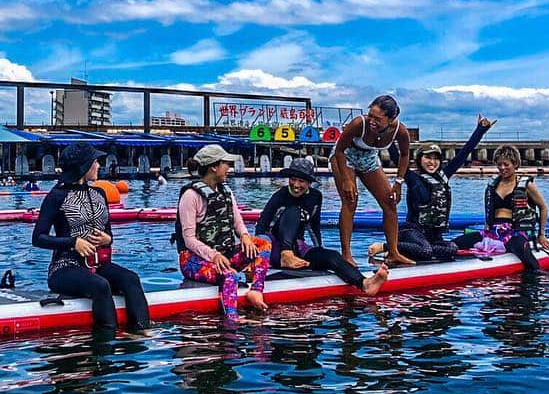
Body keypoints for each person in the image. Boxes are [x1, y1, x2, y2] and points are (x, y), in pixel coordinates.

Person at [32, 143, 150, 334]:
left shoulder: (99, 193)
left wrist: (107, 239)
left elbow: (108, 234)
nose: (98, 166)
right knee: (100, 286)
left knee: (131, 279)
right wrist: (73, 242)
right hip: (65, 267)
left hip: (98, 265)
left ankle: (143, 331)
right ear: (83, 166)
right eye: (95, 161)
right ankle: (107, 341)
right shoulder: (56, 196)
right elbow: (38, 238)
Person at [370, 115, 496, 262]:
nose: (432, 162)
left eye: (436, 158)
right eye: (428, 158)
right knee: (426, 251)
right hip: (412, 232)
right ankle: (386, 247)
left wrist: (481, 129)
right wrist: (383, 130)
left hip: (433, 236)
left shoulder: (443, 176)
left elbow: (464, 153)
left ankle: (408, 251)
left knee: (453, 248)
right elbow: (396, 156)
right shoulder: (412, 178)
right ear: (419, 159)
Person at [256, 158, 388, 295]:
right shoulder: (280, 196)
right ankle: (286, 255)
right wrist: (260, 259)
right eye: (293, 179)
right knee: (294, 211)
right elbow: (261, 228)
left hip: (297, 248)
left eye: (301, 181)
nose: (296, 185)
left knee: (332, 255)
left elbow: (314, 227)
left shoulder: (315, 196)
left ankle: (365, 283)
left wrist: (319, 252)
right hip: (274, 248)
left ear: (309, 183)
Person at [174, 144, 271, 320]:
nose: (229, 168)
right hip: (194, 260)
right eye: (226, 164)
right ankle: (231, 322)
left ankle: (256, 291)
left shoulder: (226, 191)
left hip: (224, 255)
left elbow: (237, 220)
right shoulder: (190, 196)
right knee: (230, 276)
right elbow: (188, 239)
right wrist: (214, 256)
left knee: (263, 242)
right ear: (214, 167)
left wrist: (245, 237)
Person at [329, 95, 413, 266]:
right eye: (370, 115)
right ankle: (346, 254)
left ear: (391, 119)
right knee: (350, 200)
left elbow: (405, 155)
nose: (372, 121)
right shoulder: (359, 123)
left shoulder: (400, 131)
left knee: (390, 202)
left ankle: (393, 252)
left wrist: (398, 183)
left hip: (369, 159)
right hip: (345, 157)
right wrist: (347, 179)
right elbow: (339, 150)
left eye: (378, 119)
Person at [452, 145, 549, 272]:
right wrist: (486, 226)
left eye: (506, 164)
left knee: (525, 254)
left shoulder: (526, 185)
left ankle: (536, 282)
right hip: (492, 232)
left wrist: (541, 235)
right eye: (499, 165)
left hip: (515, 232)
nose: (502, 168)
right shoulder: (493, 185)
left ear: (515, 164)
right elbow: (489, 210)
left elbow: (543, 208)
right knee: (455, 243)